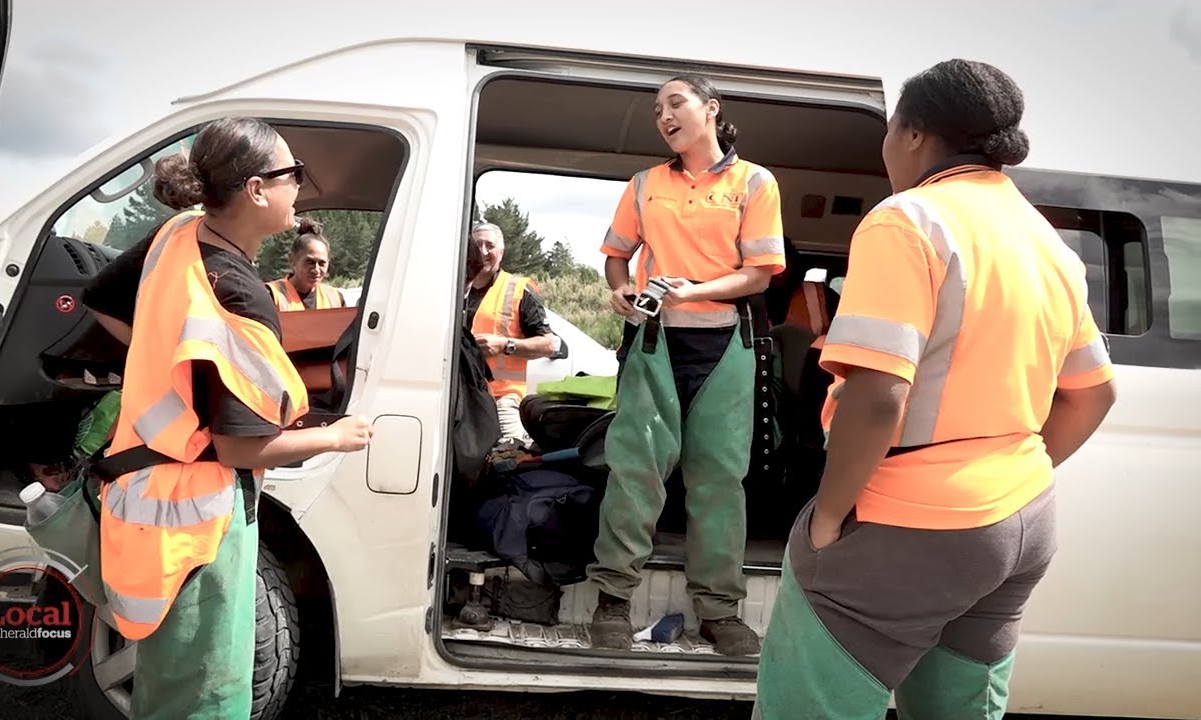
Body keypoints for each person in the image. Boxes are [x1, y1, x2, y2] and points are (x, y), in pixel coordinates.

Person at [753, 59, 1118, 719]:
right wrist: (1000, 474)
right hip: (1025, 518)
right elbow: (1093, 395)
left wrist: (829, 518)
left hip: (908, 519)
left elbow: (878, 396)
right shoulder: (1049, 245)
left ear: (914, 135)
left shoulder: (909, 221)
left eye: (890, 131)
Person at [81, 117, 374, 720]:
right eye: (293, 173)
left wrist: (162, 360)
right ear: (257, 190)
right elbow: (241, 451)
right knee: (205, 698)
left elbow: (102, 301)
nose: (302, 184)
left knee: (168, 687)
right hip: (200, 524)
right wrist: (337, 436)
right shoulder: (239, 294)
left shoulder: (177, 232)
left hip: (145, 495)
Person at [587, 74, 786, 656]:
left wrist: (693, 292)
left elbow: (758, 275)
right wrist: (621, 291)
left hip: (726, 345)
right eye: (657, 110)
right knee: (634, 473)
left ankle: (720, 613)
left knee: (720, 481)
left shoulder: (755, 182)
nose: (664, 116)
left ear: (711, 109)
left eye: (676, 103)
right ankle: (613, 602)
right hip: (653, 340)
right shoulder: (644, 183)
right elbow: (617, 258)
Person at [464, 221, 560, 445]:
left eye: (490, 245)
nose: (483, 252)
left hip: (501, 397)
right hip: (459, 394)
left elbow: (550, 344)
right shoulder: (452, 287)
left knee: (510, 454)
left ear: (501, 252)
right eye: (477, 246)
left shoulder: (517, 290)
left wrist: (505, 345)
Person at [266, 216, 352, 310]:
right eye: (310, 262)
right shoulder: (271, 295)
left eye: (322, 263)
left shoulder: (335, 299)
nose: (316, 270)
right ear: (292, 260)